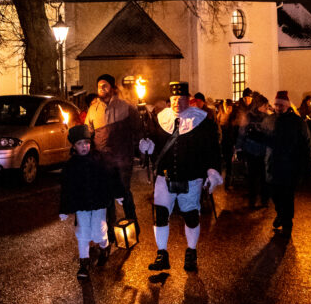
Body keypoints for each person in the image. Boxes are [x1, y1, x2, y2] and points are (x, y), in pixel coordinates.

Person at [141, 80, 223, 272]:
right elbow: (156, 146)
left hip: (191, 178)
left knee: (191, 216)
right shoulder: (160, 119)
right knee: (160, 215)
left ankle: (191, 253)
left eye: (181, 98)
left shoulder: (203, 122)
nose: (177, 102)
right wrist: (148, 146)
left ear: (188, 100)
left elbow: (212, 151)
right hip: (164, 178)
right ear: (170, 100)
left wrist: (212, 170)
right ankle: (162, 254)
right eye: (174, 98)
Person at [58, 125, 125, 280]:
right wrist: (64, 209)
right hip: (81, 205)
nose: (84, 147)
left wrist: (119, 194)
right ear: (74, 146)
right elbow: (66, 189)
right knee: (83, 233)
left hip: (99, 203)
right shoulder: (71, 166)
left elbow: (112, 177)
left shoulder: (100, 159)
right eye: (80, 144)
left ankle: (104, 246)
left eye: (86, 143)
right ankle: (84, 263)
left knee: (99, 230)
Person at [84, 73, 142, 240]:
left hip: (122, 159)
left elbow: (138, 129)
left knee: (123, 191)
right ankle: (110, 230)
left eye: (105, 86)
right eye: (99, 86)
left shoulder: (126, 107)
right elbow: (88, 133)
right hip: (103, 161)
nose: (101, 89)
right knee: (106, 194)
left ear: (113, 88)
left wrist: (142, 147)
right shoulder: (93, 109)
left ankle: (133, 226)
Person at [260, 90, 311, 238]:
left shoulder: (297, 122)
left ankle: (287, 223)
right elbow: (264, 140)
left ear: (287, 106)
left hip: (290, 166)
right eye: (276, 104)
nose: (278, 107)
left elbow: (307, 143)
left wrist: (308, 165)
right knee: (275, 195)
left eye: (281, 105)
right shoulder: (269, 120)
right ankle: (280, 214)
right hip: (272, 164)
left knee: (287, 196)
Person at [235, 91, 270, 208]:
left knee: (264, 177)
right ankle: (253, 199)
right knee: (253, 177)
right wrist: (239, 148)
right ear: (260, 106)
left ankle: (264, 199)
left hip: (264, 152)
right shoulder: (249, 116)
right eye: (266, 106)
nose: (267, 108)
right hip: (251, 151)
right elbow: (242, 132)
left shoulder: (268, 118)